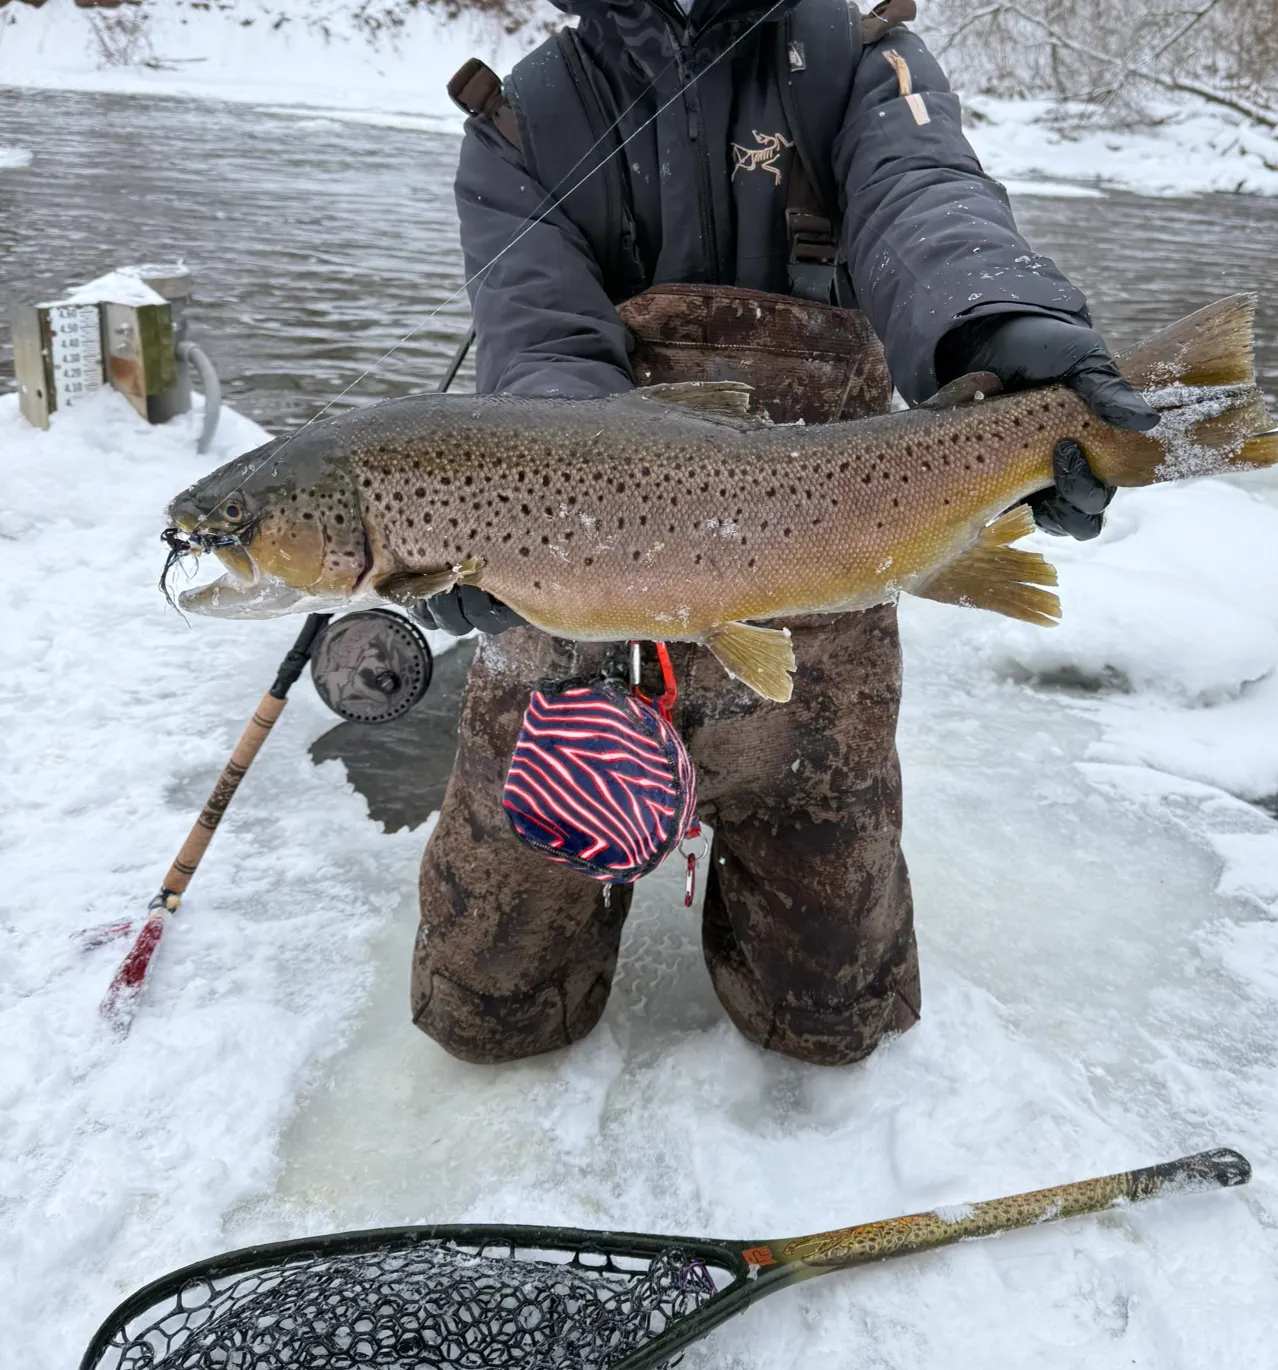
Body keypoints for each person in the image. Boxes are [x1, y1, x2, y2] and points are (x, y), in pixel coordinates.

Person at [410, 0, 1158, 1068]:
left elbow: (926, 200)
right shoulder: (521, 117)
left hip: (826, 580)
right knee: (490, 1011)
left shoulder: (859, 62)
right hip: (581, 583)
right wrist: (498, 534)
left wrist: (1000, 323)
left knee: (830, 1020)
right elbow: (539, 342)